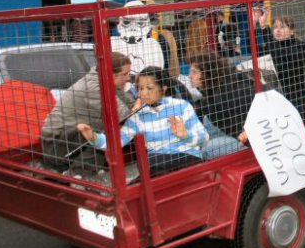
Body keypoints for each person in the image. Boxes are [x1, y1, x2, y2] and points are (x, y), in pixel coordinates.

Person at [77, 66, 209, 176]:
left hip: (186, 158)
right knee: (150, 165)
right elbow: (115, 143)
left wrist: (185, 135)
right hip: (157, 167)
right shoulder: (137, 117)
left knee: (150, 164)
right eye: (140, 88)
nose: (143, 93)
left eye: (149, 88)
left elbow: (204, 137)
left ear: (163, 89)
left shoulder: (181, 106)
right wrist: (93, 137)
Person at [41, 52, 135, 174]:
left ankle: (86, 170)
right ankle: (79, 175)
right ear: (110, 75)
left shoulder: (105, 82)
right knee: (105, 138)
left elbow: (131, 105)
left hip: (71, 139)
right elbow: (126, 116)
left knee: (106, 133)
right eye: (125, 74)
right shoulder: (95, 88)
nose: (128, 78)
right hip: (55, 144)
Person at [255, 11, 305, 120]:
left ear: (291, 31)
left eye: (282, 27)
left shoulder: (301, 47)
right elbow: (254, 50)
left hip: (298, 100)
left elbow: (280, 52)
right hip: (276, 101)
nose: (278, 30)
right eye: (275, 27)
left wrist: (264, 28)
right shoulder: (271, 46)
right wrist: (254, 27)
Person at [190, 53, 255, 143]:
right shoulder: (219, 88)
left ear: (206, 73)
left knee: (209, 146)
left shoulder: (225, 93)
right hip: (243, 135)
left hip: (248, 140)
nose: (190, 76)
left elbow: (237, 128)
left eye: (194, 72)